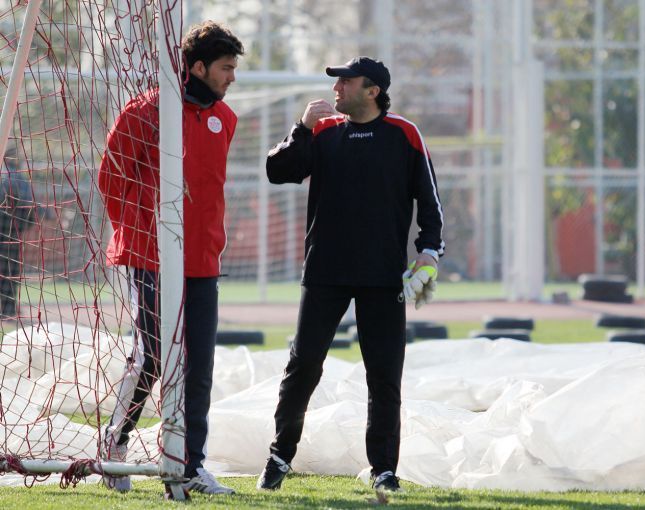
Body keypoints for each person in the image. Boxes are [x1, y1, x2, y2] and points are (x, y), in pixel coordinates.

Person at [258, 56, 445, 493]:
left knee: (384, 375)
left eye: (346, 81)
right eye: (336, 81)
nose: (336, 88)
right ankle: (279, 457)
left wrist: (429, 253)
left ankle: (384, 470)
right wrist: (301, 128)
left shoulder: (404, 134)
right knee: (303, 365)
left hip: (383, 275)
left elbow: (430, 201)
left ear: (372, 91)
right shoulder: (322, 131)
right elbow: (277, 171)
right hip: (325, 270)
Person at [97, 21, 243, 494]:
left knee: (199, 365)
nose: (232, 77)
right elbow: (111, 178)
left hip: (203, 261)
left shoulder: (225, 118)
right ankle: (115, 442)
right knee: (154, 356)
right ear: (198, 67)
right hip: (149, 257)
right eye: (225, 68)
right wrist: (142, 233)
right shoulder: (146, 110)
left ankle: (189, 465)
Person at [0, 147, 35, 319]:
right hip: (13, 228)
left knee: (8, 269)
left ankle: (8, 310)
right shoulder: (18, 177)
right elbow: (29, 204)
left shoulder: (8, 175)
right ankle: (9, 309)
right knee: (11, 269)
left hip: (6, 224)